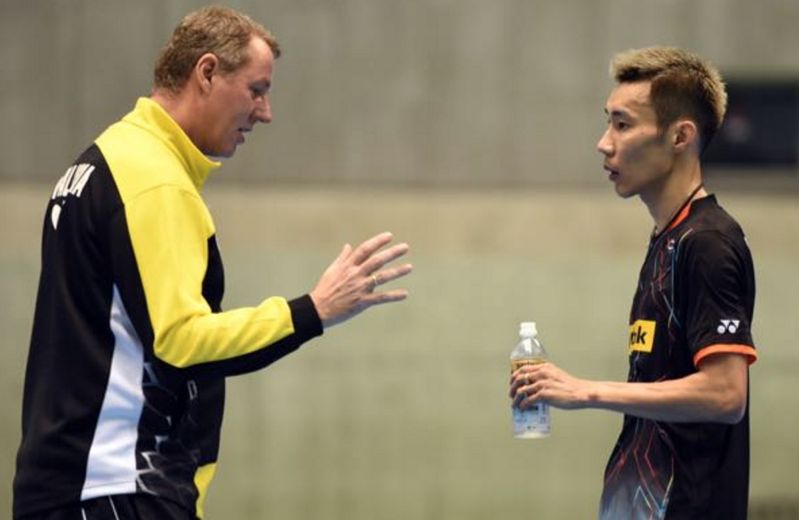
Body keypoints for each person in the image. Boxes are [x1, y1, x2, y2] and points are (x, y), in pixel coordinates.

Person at [13, 6, 412, 520]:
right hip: (115, 488)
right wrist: (313, 310)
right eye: (257, 89)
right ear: (206, 73)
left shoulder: (101, 161)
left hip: (73, 487)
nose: (265, 112)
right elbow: (182, 342)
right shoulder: (154, 182)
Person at [510, 46, 757, 519]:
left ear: (680, 136)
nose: (604, 143)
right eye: (608, 122)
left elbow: (726, 395)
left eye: (622, 125)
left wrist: (584, 391)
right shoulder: (668, 239)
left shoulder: (708, 244)